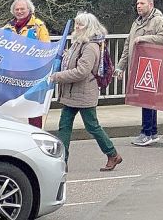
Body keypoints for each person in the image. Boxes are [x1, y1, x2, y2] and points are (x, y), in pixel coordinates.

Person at [51, 12, 121, 171]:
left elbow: (81, 71)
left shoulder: (90, 46)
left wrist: (57, 77)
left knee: (92, 126)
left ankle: (112, 154)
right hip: (72, 93)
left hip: (84, 93)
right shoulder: (79, 42)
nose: (77, 27)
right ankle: (63, 161)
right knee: (64, 126)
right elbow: (70, 60)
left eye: (80, 24)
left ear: (89, 27)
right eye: (76, 23)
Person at [115, 0, 163, 146]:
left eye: (142, 3)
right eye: (137, 3)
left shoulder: (158, 21)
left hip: (151, 67)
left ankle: (146, 132)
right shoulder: (136, 23)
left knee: (147, 100)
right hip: (138, 67)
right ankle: (151, 132)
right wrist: (121, 66)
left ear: (150, 5)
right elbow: (128, 44)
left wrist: (145, 39)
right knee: (147, 100)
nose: (138, 6)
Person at [5, 0, 51, 128]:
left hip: (32, 74)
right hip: (12, 74)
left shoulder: (38, 26)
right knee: (12, 107)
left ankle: (35, 135)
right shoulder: (8, 27)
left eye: (22, 9)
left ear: (29, 9)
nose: (19, 11)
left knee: (32, 107)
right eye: (17, 9)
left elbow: (46, 48)